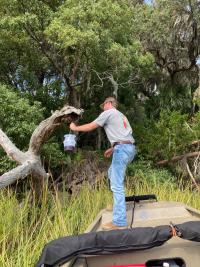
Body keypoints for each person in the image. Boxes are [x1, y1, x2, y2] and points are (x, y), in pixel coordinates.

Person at [70, 97, 136, 230]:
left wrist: (74, 127)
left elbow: (91, 126)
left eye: (103, 105)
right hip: (129, 148)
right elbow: (125, 136)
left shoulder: (109, 112)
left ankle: (119, 221)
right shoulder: (120, 115)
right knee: (112, 174)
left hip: (122, 149)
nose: (103, 108)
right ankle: (118, 207)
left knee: (117, 184)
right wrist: (113, 148)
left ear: (109, 103)